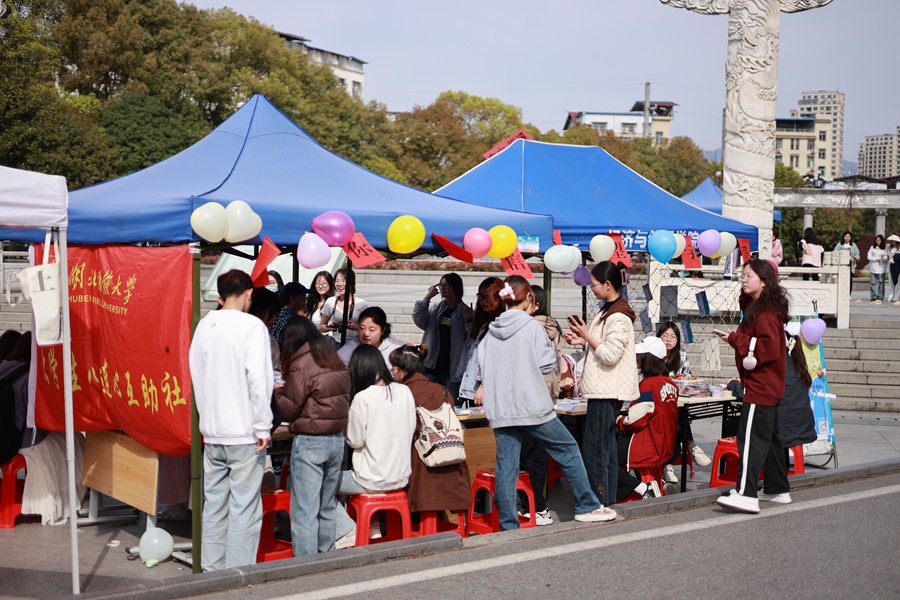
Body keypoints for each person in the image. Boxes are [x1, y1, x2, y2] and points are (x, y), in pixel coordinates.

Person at [476, 275, 616, 529]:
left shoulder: (490, 332)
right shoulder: (531, 327)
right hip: (532, 405)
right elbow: (546, 364)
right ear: (529, 297)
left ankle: (508, 524)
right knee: (567, 449)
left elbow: (482, 367)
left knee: (507, 465)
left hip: (502, 408)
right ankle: (587, 505)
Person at [189, 269, 273, 570]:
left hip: (213, 431)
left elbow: (196, 375)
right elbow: (259, 379)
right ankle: (237, 572)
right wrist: (263, 425)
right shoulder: (252, 326)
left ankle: (211, 570)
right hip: (244, 432)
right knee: (244, 508)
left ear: (221, 294)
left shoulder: (204, 325)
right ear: (249, 293)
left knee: (214, 506)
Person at [715, 258, 790, 514]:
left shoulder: (765, 313)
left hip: (760, 386)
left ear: (764, 282)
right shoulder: (764, 307)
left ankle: (746, 493)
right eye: (743, 275)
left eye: (749, 276)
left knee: (750, 439)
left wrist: (735, 339)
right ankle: (777, 488)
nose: (744, 280)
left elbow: (769, 347)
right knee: (770, 440)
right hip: (768, 385)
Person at [565, 261, 639, 510]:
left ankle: (599, 501)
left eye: (594, 284)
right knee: (603, 448)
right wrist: (583, 341)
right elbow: (604, 346)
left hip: (606, 389)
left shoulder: (617, 316)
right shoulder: (609, 310)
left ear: (608, 285)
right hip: (604, 388)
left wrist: (587, 335)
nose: (592, 289)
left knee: (596, 449)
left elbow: (609, 355)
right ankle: (605, 499)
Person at [275, 317, 351, 556]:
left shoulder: (301, 364)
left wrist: (277, 392)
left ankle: (306, 565)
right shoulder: (334, 359)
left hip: (311, 441)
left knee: (305, 512)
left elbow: (288, 409)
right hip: (336, 440)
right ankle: (326, 557)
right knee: (326, 506)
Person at [333, 344, 416, 548]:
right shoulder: (405, 391)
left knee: (318, 481)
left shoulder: (363, 398)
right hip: (400, 477)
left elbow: (355, 441)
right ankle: (373, 526)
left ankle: (345, 529)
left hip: (369, 479)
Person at [389, 344, 471, 520]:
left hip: (420, 473)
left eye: (394, 368)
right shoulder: (442, 390)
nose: (393, 373)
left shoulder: (402, 393)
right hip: (453, 470)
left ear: (403, 369)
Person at [518, 284, 564, 526]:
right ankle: (539, 507)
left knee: (527, 456)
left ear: (534, 303)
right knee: (537, 455)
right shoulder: (553, 326)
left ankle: (534, 507)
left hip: (531, 397)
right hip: (548, 396)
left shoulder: (531, 328)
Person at [615, 336, 679, 502]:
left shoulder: (648, 384)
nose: (637, 358)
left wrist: (619, 421)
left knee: (602, 458)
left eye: (640, 355)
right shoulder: (671, 383)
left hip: (647, 445)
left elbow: (635, 421)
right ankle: (658, 483)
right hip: (665, 445)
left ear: (648, 358)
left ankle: (644, 488)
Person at [656, 321, 711, 485]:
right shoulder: (653, 355)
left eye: (672, 336)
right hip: (657, 402)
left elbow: (686, 378)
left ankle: (668, 466)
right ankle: (691, 445)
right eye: (665, 335)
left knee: (677, 418)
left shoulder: (681, 356)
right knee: (675, 419)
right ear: (658, 337)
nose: (668, 339)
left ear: (678, 340)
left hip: (676, 400)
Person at [412, 272, 473, 398]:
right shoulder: (436, 309)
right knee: (429, 401)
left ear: (456, 287)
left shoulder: (464, 311)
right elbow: (418, 319)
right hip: (431, 366)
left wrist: (470, 319)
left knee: (449, 403)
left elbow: (472, 336)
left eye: (446, 285)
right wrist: (427, 297)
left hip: (452, 369)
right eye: (441, 285)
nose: (442, 288)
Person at [456, 277, 504, 407]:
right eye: (480, 296)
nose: (483, 301)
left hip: (486, 391)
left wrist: (483, 386)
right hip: (470, 386)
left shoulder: (501, 324)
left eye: (487, 297)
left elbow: (493, 360)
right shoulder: (481, 322)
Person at [779, 325, 817, 465]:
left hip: (785, 430)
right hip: (803, 427)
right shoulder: (796, 364)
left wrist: (733, 386)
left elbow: (756, 393)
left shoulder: (777, 367)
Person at [337, 306, 404, 366]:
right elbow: (336, 364)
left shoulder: (395, 349)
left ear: (383, 330)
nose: (366, 333)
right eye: (362, 328)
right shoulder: (353, 344)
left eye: (372, 330)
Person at [320, 268, 368, 347]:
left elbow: (367, 328)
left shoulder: (362, 304)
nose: (340, 284)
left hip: (356, 344)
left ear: (351, 283)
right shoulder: (330, 301)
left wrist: (356, 327)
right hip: (336, 343)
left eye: (343, 281)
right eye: (337, 281)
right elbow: (322, 326)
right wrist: (330, 328)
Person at [271, 282, 309, 348]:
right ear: (293, 298)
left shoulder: (278, 315)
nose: (306, 298)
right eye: (303, 295)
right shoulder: (292, 321)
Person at [867, 234, 888, 304]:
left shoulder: (884, 248)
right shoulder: (872, 247)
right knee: (873, 283)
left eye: (879, 240)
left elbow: (886, 258)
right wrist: (875, 259)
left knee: (881, 283)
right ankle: (873, 296)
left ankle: (880, 296)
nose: (878, 241)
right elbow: (869, 256)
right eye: (877, 240)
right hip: (873, 267)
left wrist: (883, 257)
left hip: (881, 268)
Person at [888, 235, 900, 305]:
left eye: (894, 241)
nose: (893, 242)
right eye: (892, 241)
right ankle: (891, 296)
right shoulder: (890, 248)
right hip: (892, 266)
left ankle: (896, 297)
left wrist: (895, 255)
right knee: (891, 283)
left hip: (898, 266)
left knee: (898, 284)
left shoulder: (899, 248)